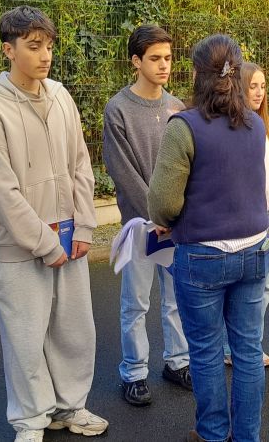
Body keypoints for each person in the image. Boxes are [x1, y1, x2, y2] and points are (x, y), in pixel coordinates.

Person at [0, 6, 107, 442]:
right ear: (7, 50)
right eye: (34, 47)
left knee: (74, 330)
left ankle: (71, 407)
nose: (45, 55)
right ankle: (31, 420)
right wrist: (44, 244)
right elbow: (0, 191)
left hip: (69, 238)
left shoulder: (62, 96)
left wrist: (84, 227)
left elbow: (81, 165)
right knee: (25, 338)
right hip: (19, 247)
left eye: (48, 46)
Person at [148, 34, 269, 442]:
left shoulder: (184, 127)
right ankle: (247, 436)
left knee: (204, 352)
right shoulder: (255, 125)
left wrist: (168, 219)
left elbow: (163, 203)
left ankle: (213, 435)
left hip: (202, 254)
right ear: (237, 74)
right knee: (249, 351)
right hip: (255, 249)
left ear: (197, 74)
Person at [102, 24, 192, 406]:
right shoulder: (118, 108)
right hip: (140, 225)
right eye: (155, 58)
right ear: (135, 61)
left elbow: (187, 164)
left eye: (168, 58)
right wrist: (155, 213)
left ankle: (177, 361)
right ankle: (134, 371)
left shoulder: (177, 107)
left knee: (176, 298)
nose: (164, 65)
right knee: (136, 302)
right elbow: (121, 169)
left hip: (175, 223)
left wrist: (176, 213)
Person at [223, 62, 269, 367]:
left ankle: (249, 344)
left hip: (263, 222)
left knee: (265, 287)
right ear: (239, 87)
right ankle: (231, 346)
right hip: (238, 224)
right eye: (253, 86)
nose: (259, 92)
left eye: (263, 86)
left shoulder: (268, 127)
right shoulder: (231, 128)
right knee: (237, 291)